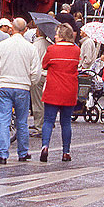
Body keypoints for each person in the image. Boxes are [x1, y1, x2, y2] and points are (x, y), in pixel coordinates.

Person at [0, 18, 42, 164]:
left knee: (4, 120)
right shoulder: (31, 48)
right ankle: (23, 152)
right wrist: (30, 82)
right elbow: (36, 71)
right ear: (25, 30)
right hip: (22, 87)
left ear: (11, 28)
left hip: (4, 85)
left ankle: (3, 154)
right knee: (22, 121)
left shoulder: (1, 46)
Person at [40, 24, 82, 163]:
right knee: (66, 123)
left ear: (62, 35)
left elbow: (44, 64)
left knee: (48, 120)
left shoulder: (52, 49)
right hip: (69, 90)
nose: (55, 36)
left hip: (53, 89)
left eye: (57, 34)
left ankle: (45, 146)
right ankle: (66, 152)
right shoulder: (76, 50)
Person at [30, 27, 51, 135]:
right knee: (46, 102)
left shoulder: (34, 46)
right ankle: (46, 123)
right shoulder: (49, 45)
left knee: (37, 102)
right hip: (48, 75)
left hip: (38, 75)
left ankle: (39, 127)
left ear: (37, 33)